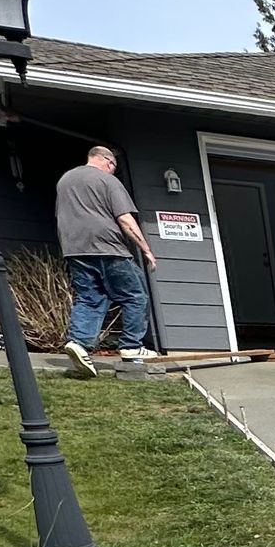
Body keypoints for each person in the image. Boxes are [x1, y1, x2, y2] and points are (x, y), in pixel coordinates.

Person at [54, 146, 157, 376]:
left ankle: (78, 344)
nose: (113, 171)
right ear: (107, 161)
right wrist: (146, 249)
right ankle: (131, 347)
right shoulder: (107, 181)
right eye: (113, 167)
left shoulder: (66, 180)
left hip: (74, 250)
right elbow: (125, 219)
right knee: (135, 295)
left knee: (89, 299)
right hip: (109, 249)